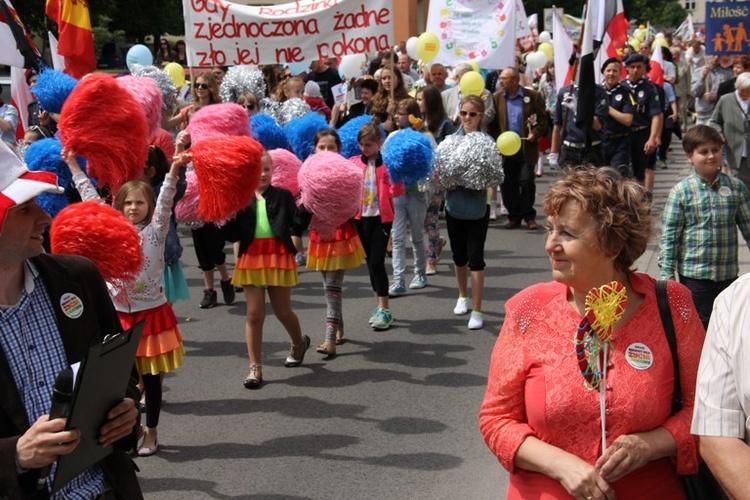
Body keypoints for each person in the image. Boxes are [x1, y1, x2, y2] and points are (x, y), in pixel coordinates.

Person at [480, 166, 704, 499]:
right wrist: (559, 464)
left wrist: (652, 444)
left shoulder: (672, 305)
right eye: (550, 229)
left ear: (613, 245)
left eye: (567, 234)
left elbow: (705, 412)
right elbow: (496, 418)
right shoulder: (528, 310)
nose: (550, 245)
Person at [0, 141, 142, 497]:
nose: (44, 218)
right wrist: (14, 455)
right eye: (24, 209)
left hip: (103, 488)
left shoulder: (77, 277)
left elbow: (120, 373)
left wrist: (126, 412)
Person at [65, 147, 188, 457]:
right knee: (119, 383)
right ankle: (125, 434)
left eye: (140, 202)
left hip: (152, 317)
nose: (134, 208)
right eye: (129, 202)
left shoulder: (156, 230)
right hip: (117, 316)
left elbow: (166, 198)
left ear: (149, 206)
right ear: (119, 205)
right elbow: (90, 199)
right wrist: (72, 165)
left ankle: (151, 432)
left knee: (151, 382)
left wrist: (174, 167)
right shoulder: (111, 230)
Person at [225, 152, 310, 389]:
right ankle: (255, 367)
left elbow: (297, 223)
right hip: (250, 258)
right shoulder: (240, 200)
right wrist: (223, 213)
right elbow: (231, 234)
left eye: (266, 169)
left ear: (273, 170)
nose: (261, 174)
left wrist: (311, 202)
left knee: (283, 311)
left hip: (278, 256)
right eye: (256, 170)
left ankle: (299, 343)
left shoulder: (283, 195)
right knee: (254, 314)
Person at [659, 124, 750, 330]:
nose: (711, 156)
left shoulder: (735, 188)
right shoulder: (681, 192)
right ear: (689, 156)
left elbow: (748, 228)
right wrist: (667, 273)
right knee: (699, 327)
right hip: (695, 277)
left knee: (728, 327)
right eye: (704, 152)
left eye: (715, 150)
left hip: (727, 275)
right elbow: (670, 236)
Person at [294, 130, 366, 356]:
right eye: (321, 147)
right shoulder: (307, 172)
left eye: (331, 147)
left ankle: (329, 340)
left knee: (331, 289)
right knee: (329, 287)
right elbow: (301, 207)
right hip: (319, 235)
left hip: (340, 235)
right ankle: (338, 327)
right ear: (314, 149)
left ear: (339, 150)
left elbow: (354, 207)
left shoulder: (346, 173)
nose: (326, 152)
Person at [691, 273, 750, 499]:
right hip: (698, 279)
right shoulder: (735, 301)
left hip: (723, 273)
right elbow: (716, 433)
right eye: (568, 234)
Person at [445, 96, 498, 330]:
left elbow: (494, 176)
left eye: (473, 114)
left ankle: (477, 309)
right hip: (453, 206)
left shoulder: (488, 142)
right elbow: (440, 171)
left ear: (481, 116)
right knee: (458, 256)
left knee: (476, 258)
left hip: (477, 209)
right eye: (464, 113)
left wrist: (475, 177)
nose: (468, 118)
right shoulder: (449, 140)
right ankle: (462, 295)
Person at [351, 120, 403, 330]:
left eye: (369, 145)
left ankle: (385, 308)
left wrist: (397, 178)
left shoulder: (387, 164)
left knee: (376, 262)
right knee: (369, 263)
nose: (365, 149)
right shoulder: (354, 162)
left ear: (379, 143)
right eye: (362, 145)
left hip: (381, 218)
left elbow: (397, 191)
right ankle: (378, 306)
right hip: (359, 218)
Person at [385, 98, 432, 297]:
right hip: (398, 193)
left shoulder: (425, 136)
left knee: (416, 235)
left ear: (412, 115)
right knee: (397, 237)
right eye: (396, 113)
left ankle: (420, 273)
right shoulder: (393, 136)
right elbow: (385, 159)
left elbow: (433, 162)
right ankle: (398, 279)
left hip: (418, 193)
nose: (397, 117)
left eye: (401, 113)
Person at [491, 66, 547, 230]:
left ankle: (529, 215)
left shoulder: (533, 96)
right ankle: (514, 216)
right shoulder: (497, 98)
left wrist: (535, 134)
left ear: (515, 80)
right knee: (508, 183)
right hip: (506, 149)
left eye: (504, 79)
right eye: (500, 78)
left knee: (526, 180)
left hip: (525, 147)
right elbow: (494, 124)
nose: (501, 81)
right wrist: (497, 140)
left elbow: (542, 121)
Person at [416, 85, 455, 275]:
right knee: (422, 219)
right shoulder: (415, 122)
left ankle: (431, 260)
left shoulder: (445, 124)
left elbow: (448, 152)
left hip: (435, 179)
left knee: (431, 218)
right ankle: (437, 242)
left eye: (420, 99)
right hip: (418, 178)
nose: (417, 103)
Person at [621, 53, 663, 198]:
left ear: (645, 68)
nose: (635, 70)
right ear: (626, 68)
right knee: (622, 170)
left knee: (641, 170)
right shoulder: (621, 87)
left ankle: (639, 201)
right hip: (623, 134)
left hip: (642, 133)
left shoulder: (649, 88)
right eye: (632, 67)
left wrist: (653, 138)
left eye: (639, 67)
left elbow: (656, 115)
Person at [710, 71, 750, 188]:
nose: (745, 93)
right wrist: (719, 133)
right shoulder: (726, 100)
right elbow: (714, 121)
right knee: (737, 181)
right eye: (742, 90)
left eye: (748, 90)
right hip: (734, 149)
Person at [600, 57, 635, 177]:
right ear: (603, 72)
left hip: (620, 142)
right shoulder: (597, 92)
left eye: (615, 71)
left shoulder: (626, 92)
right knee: (600, 178)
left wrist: (607, 108)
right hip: (601, 141)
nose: (611, 74)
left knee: (617, 177)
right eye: (608, 70)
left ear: (620, 73)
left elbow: (627, 120)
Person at [441, 63, 496, 129]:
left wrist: (472, 119)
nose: (469, 78)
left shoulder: (485, 93)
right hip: (452, 132)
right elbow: (440, 116)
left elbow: (489, 114)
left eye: (471, 75)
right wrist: (450, 119)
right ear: (457, 77)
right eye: (465, 75)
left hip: (477, 133)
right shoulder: (445, 95)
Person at [370, 66, 410, 134]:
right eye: (384, 78)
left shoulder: (407, 99)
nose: (387, 81)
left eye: (390, 78)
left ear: (399, 79)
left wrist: (393, 114)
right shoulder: (375, 99)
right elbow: (370, 122)